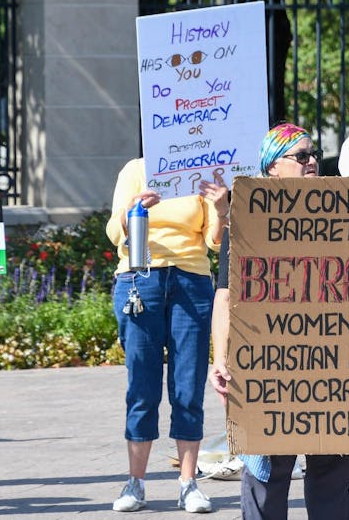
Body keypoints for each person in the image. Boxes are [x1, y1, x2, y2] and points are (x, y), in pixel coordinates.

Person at [209, 122, 349, 519]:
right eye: (302, 156)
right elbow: (226, 294)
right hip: (270, 362)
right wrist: (219, 357)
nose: (312, 163)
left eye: (314, 155)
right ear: (273, 167)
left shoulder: (345, 212)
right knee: (269, 469)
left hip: (331, 358)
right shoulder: (246, 219)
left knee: (331, 464)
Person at [106, 158, 228, 513]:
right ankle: (136, 483)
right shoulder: (134, 170)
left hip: (191, 279)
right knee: (141, 385)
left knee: (187, 385)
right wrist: (131, 211)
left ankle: (188, 483)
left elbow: (215, 241)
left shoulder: (204, 168)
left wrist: (221, 208)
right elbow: (115, 232)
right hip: (139, 277)